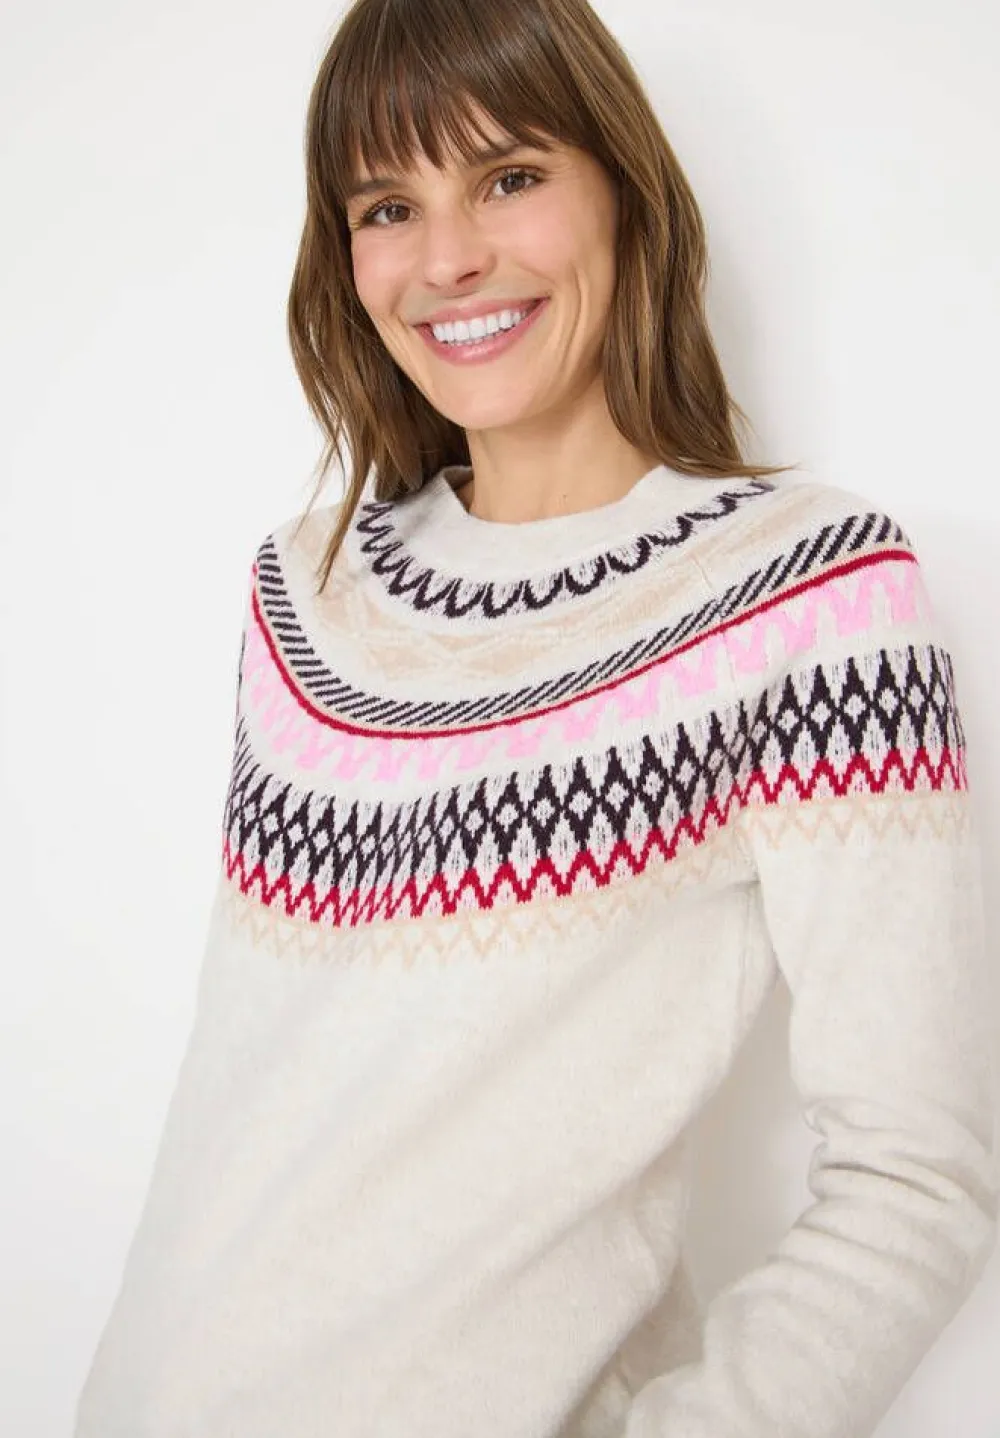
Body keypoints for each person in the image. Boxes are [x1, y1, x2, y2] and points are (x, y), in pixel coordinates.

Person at [74, 0, 997, 1434]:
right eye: (388, 206)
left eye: (508, 176)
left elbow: (918, 1174)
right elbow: (258, 1118)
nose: (448, 258)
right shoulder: (304, 589)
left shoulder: (806, 599)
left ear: (622, 190)